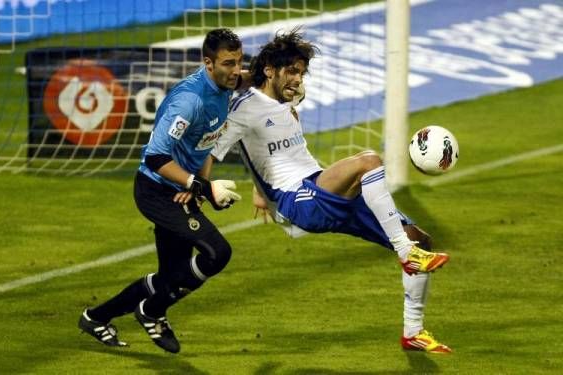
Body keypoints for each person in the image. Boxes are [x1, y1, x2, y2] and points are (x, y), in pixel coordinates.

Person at [211, 28, 452, 354]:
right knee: (368, 161)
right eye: (292, 71)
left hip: (324, 187)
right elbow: (214, 150)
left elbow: (263, 151)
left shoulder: (288, 98)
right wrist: (201, 185)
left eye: (301, 72)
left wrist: (258, 190)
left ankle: (413, 332)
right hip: (300, 200)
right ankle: (406, 255)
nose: (298, 79)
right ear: (269, 70)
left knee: (420, 238)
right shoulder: (243, 108)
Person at [78, 28, 246, 353]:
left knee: (171, 275)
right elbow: (154, 157)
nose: (235, 71)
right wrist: (197, 185)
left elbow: (204, 145)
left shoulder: (227, 82)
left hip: (181, 189)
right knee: (217, 253)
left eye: (239, 62)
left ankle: (96, 317)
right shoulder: (189, 102)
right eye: (228, 63)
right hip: (156, 191)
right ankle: (152, 311)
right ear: (208, 63)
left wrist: (198, 188)